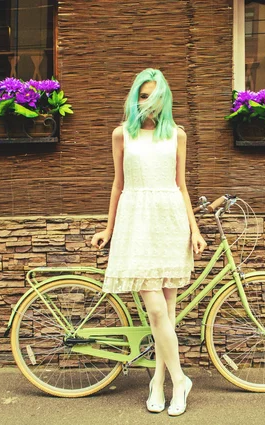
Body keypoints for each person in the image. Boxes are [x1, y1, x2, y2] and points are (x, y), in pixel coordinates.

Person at [91, 68, 207, 416]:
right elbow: (118, 185)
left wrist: (195, 229)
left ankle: (159, 384)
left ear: (164, 100)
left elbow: (181, 185)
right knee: (157, 310)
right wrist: (108, 230)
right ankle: (181, 380)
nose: (149, 103)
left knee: (166, 316)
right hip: (136, 222)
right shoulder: (121, 135)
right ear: (135, 98)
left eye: (155, 96)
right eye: (143, 96)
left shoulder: (177, 135)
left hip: (169, 221)